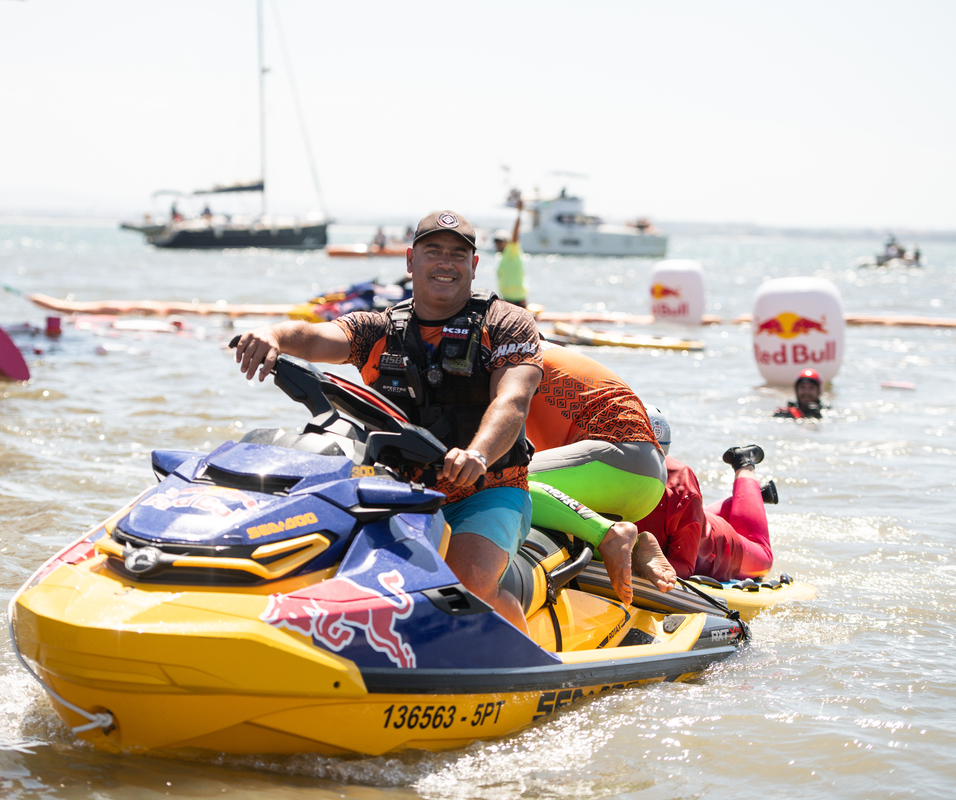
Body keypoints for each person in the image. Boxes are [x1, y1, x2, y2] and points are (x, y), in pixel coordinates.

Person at [234, 210, 544, 633]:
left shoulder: (506, 322)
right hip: (395, 491)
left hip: (488, 490)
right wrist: (275, 336)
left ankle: (526, 671)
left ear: (473, 266)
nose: (445, 263)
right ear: (410, 260)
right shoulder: (378, 328)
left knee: (468, 583)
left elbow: (513, 401)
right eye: (433, 251)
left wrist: (478, 453)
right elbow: (319, 337)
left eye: (457, 255)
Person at [523, 342, 674, 604]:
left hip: (616, 463)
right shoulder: (533, 347)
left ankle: (608, 535)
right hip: (647, 479)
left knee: (494, 483)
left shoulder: (504, 355)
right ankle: (634, 547)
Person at [636, 409, 777, 581]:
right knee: (690, 513)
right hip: (691, 518)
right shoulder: (600, 464)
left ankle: (744, 464)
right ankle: (752, 497)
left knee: (764, 560)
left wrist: (639, 562)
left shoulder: (680, 482)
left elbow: (686, 565)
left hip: (718, 548)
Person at [493, 196, 528, 307]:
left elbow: (515, 234)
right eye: (496, 241)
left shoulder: (512, 251)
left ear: (507, 242)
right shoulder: (501, 257)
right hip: (506, 299)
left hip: (518, 300)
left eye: (501, 241)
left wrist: (519, 213)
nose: (498, 244)